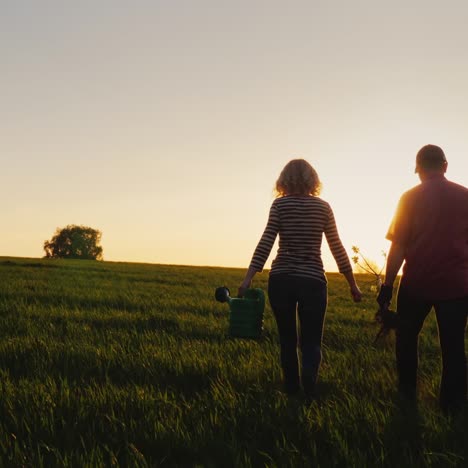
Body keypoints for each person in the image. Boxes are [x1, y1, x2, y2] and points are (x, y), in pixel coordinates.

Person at [238, 159, 362, 399]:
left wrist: (248, 279)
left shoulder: (280, 206)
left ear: (284, 180)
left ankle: (292, 391)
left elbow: (266, 242)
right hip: (313, 280)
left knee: (287, 339)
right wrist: (352, 284)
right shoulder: (323, 208)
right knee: (312, 340)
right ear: (312, 181)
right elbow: (337, 246)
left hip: (281, 279)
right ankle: (309, 385)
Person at [377, 144, 468, 413]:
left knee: (406, 341)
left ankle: (407, 398)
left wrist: (387, 285)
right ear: (445, 166)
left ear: (418, 169)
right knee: (453, 347)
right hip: (457, 286)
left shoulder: (409, 198)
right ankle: (452, 406)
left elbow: (399, 247)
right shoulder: (466, 196)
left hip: (416, 284)